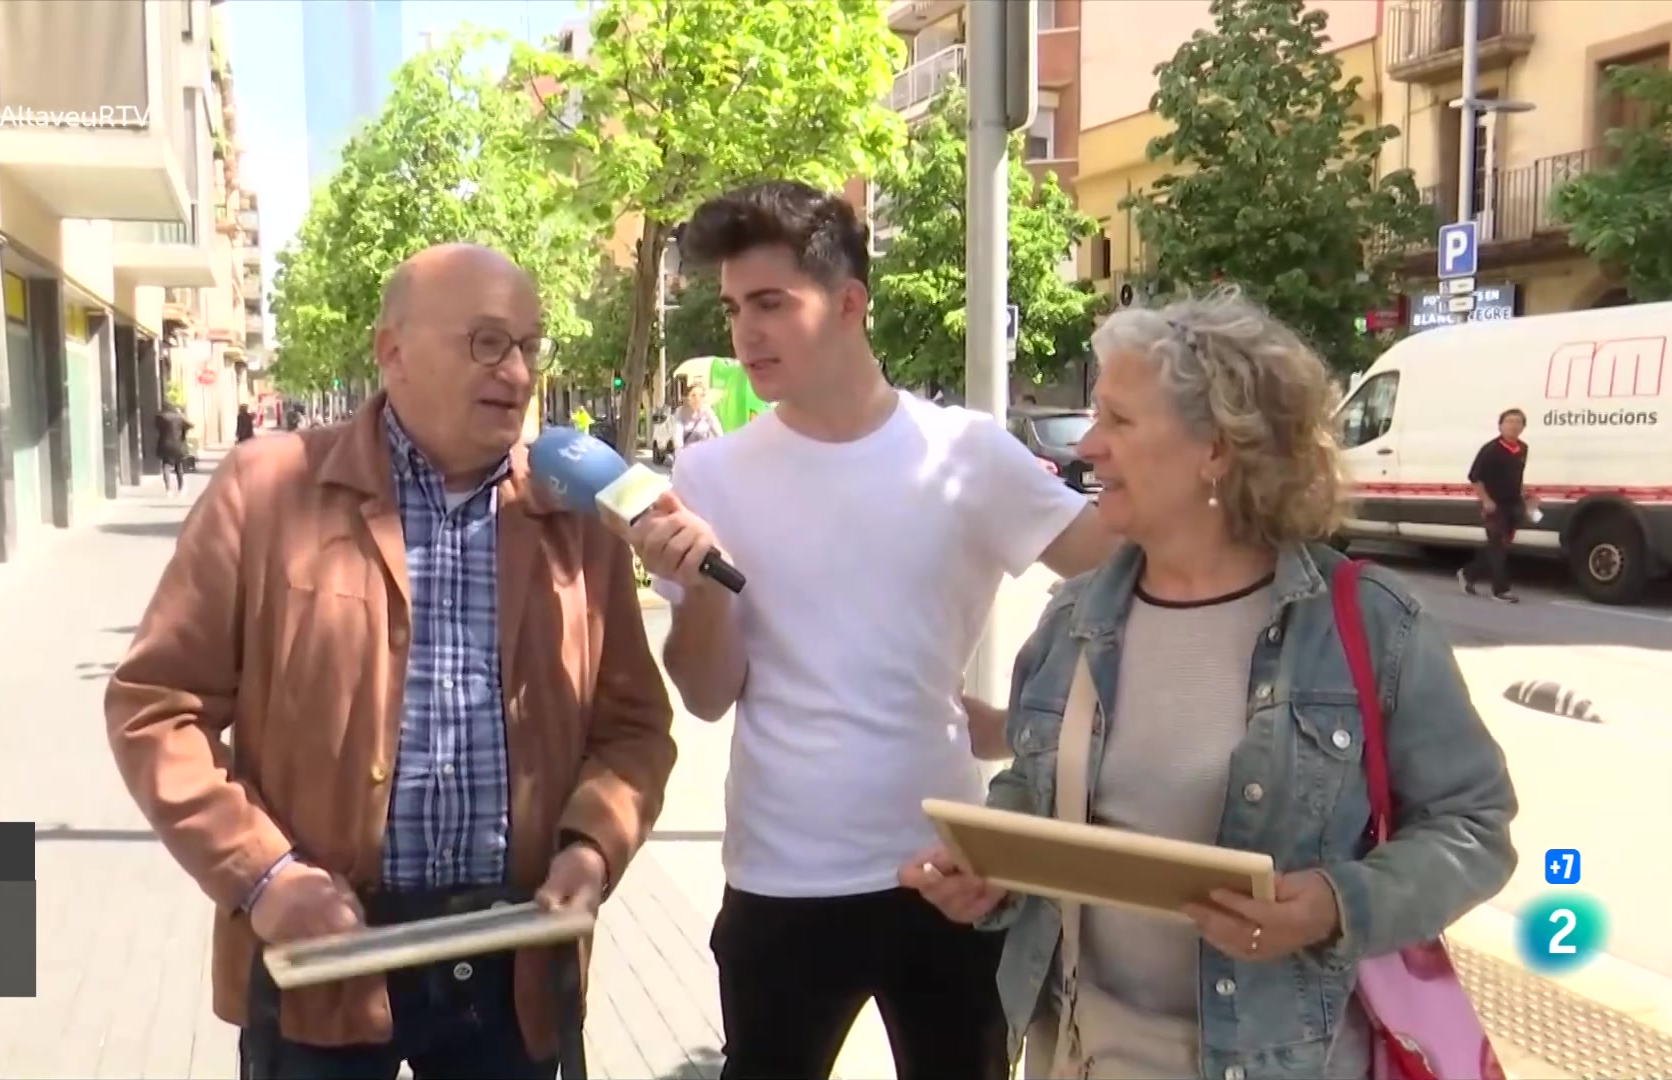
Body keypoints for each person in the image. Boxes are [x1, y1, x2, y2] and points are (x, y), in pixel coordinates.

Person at [900, 290, 1519, 1080]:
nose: (1089, 445)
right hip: (1081, 1056)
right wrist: (990, 872)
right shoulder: (1074, 619)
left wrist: (1335, 904)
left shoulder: (1368, 624)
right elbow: (1033, 787)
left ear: (1217, 450)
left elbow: (1473, 825)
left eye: (1119, 420)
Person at [106, 243, 678, 1080]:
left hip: (514, 964)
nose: (518, 372)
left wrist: (593, 848)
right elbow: (156, 707)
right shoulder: (269, 489)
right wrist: (265, 878)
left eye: (530, 344)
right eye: (487, 342)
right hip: (321, 963)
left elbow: (633, 730)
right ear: (392, 351)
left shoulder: (575, 520)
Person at [625, 180, 1119, 1080]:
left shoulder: (964, 453)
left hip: (946, 872)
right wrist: (705, 590)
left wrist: (1035, 730)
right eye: (734, 309)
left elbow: (1126, 578)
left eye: (771, 303)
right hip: (780, 873)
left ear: (850, 302)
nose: (745, 333)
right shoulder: (710, 474)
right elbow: (705, 698)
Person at [1459, 408, 1533, 603]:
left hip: (1513, 505)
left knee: (1498, 546)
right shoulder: (1491, 450)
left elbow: (1517, 477)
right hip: (1493, 505)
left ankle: (1468, 574)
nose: (1513, 426)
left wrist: (1525, 496)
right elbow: (1474, 477)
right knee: (1498, 547)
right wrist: (1486, 500)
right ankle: (1501, 590)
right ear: (1500, 426)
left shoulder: (1523, 449)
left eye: (1518, 422)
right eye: (1509, 422)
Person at [154, 402, 193, 496]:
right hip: (177, 444)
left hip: (164, 444)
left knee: (166, 465)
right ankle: (181, 488)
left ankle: (168, 489)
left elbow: (156, 427)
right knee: (178, 466)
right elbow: (190, 425)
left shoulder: (160, 417)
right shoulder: (179, 418)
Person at [671, 383, 723, 453]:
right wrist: (681, 454)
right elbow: (677, 438)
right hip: (688, 452)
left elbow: (718, 431)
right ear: (687, 398)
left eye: (701, 395)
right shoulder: (680, 412)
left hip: (704, 451)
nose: (697, 398)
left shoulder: (707, 411)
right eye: (693, 395)